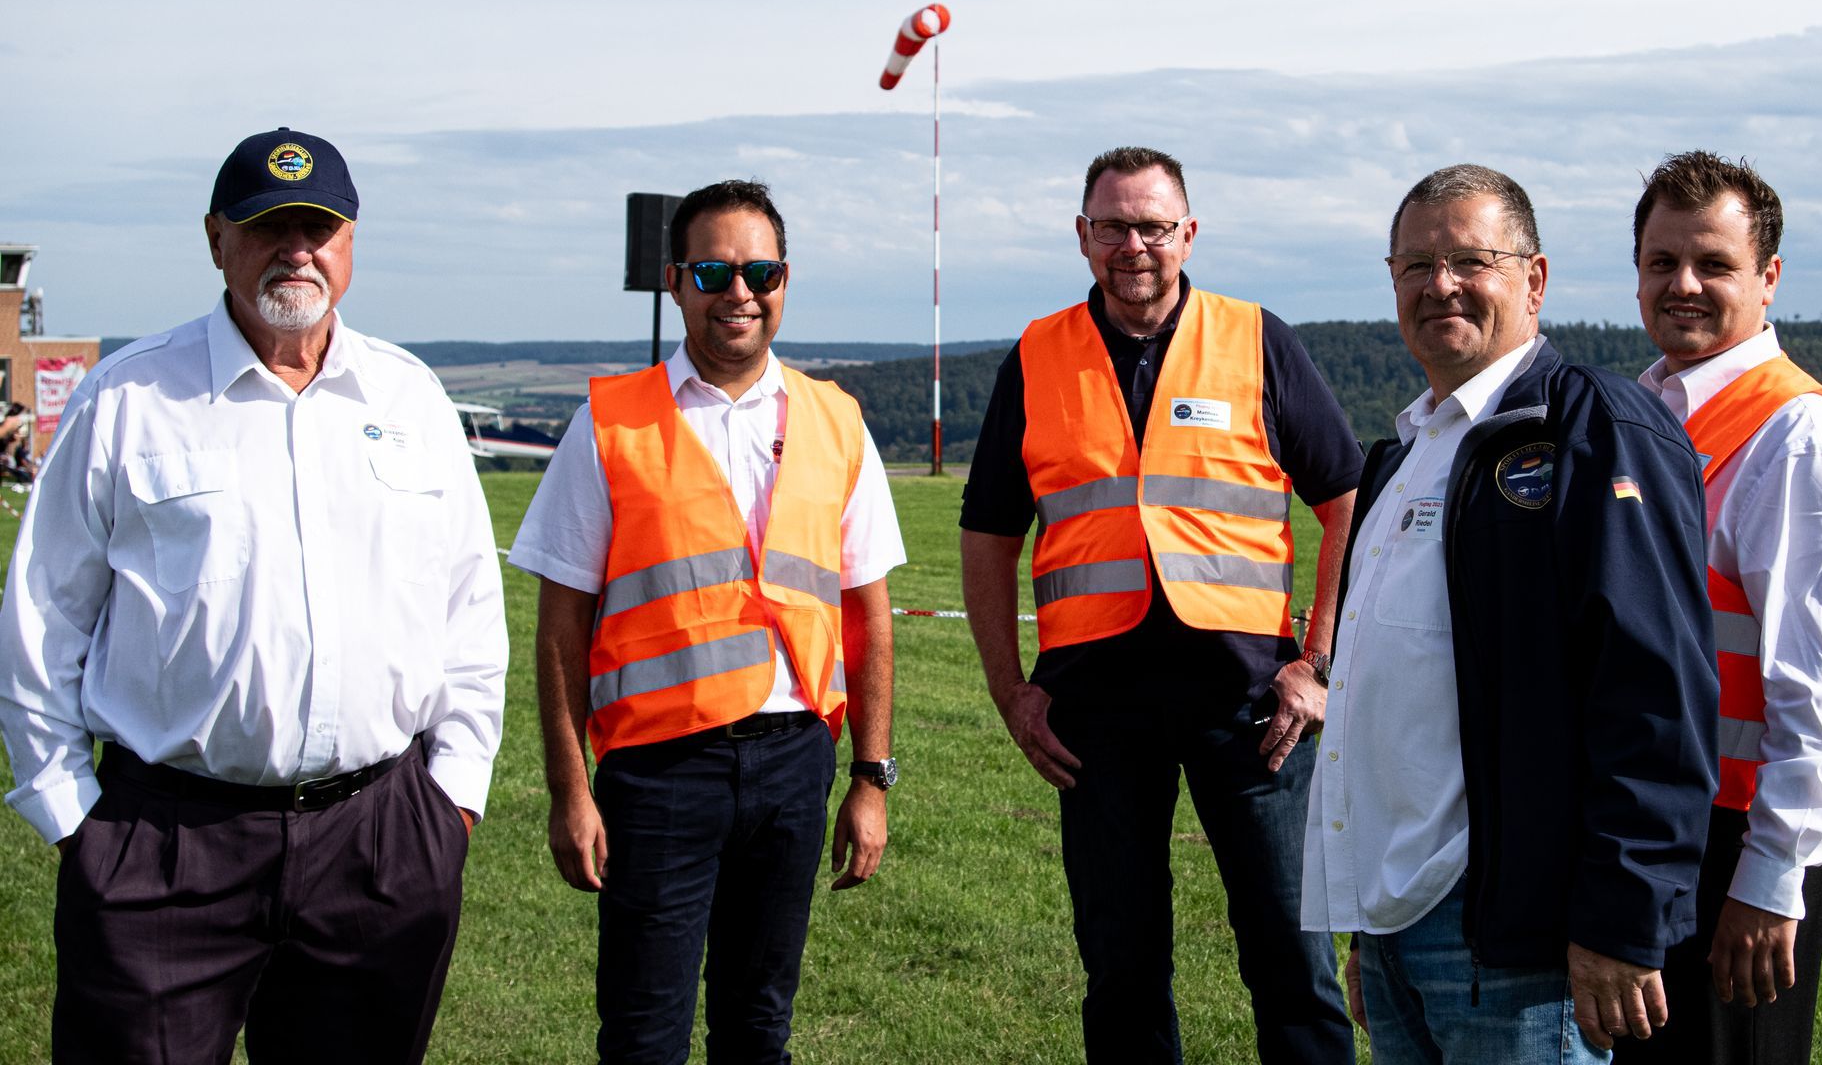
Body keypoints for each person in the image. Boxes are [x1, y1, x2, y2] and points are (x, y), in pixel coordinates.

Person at [0, 127, 509, 1064]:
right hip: (166, 841)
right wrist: (76, 822)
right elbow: (42, 616)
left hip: (379, 840)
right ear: (215, 238)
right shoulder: (129, 398)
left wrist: (452, 804)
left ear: (350, 243)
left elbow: (470, 611)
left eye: (318, 229)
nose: (297, 251)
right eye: (268, 227)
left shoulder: (409, 400)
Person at [1302, 163, 1721, 1062]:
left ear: (1534, 279)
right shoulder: (1408, 452)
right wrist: (1375, 927)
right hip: (1404, 925)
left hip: (1521, 943)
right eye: (1415, 266)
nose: (1439, 284)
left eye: (1469, 260)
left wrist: (1621, 918)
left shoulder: (1592, 430)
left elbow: (1655, 692)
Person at [960, 146, 1360, 1063]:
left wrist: (1318, 662)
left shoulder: (1256, 338)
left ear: (1188, 232)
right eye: (1113, 227)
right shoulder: (1037, 355)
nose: (1133, 245)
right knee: (1123, 968)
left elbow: (1346, 502)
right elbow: (988, 535)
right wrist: (1007, 690)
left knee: (1293, 964)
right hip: (1095, 709)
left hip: (1254, 706)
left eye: (1153, 226)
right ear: (1082, 237)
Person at [510, 179, 905, 1064]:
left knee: (758, 1029)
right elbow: (560, 630)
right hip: (658, 776)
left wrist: (871, 779)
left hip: (793, 762)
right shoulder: (609, 423)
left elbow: (868, 617)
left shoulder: (836, 419)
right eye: (714, 271)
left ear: (785, 279)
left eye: (759, 270)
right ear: (675, 280)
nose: (739, 292)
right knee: (644, 1037)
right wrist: (571, 793)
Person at [1613, 152, 1822, 1065]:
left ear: (1768, 279)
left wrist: (1773, 880)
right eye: (1662, 263)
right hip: (1646, 826)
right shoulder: (1648, 413)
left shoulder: (1800, 438)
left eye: (1714, 265)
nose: (1682, 285)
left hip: (1735, 840)